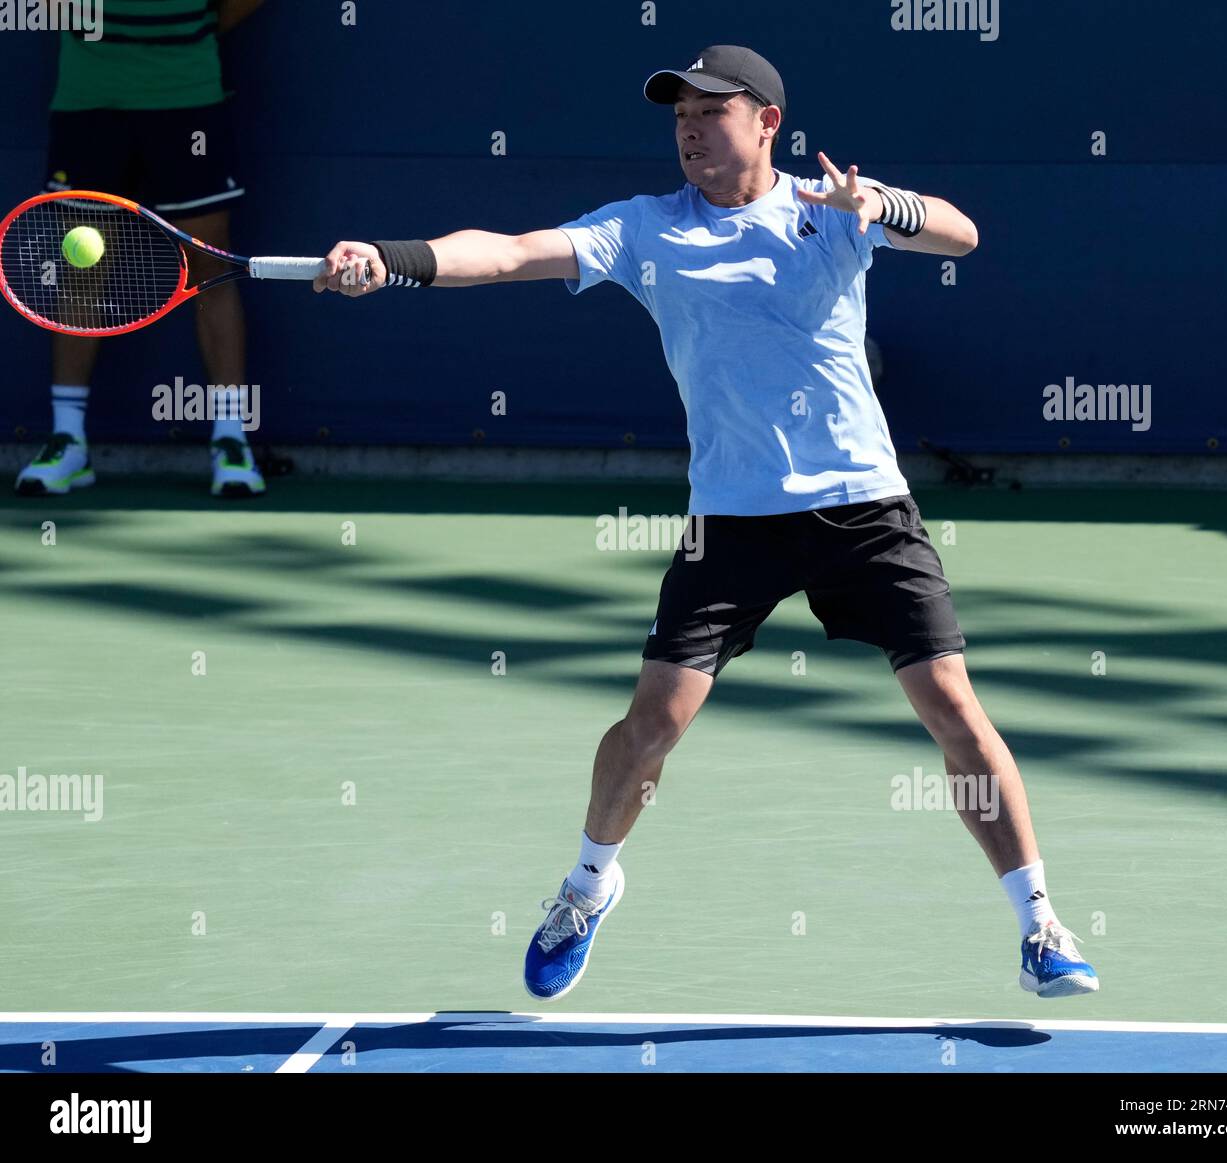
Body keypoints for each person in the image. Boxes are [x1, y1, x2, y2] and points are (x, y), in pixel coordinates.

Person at [313, 45, 1100, 1003]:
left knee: (953, 708)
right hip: (732, 518)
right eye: (679, 113)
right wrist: (392, 263)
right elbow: (513, 252)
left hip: (864, 504)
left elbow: (960, 234)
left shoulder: (831, 209)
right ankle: (588, 883)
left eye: (710, 110)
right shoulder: (646, 229)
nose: (688, 126)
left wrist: (879, 206)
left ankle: (1042, 926)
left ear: (767, 121)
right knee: (653, 725)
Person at [16, 0, 267, 498]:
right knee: (82, 265)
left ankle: (231, 440)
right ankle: (68, 440)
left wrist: (189, 30)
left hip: (188, 94)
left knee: (212, 268)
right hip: (90, 98)